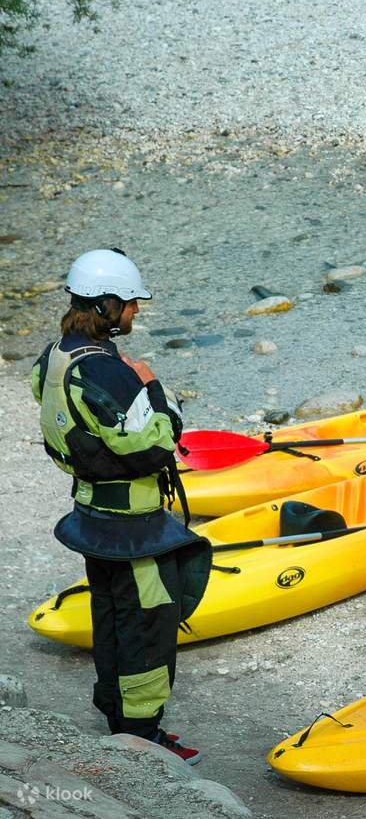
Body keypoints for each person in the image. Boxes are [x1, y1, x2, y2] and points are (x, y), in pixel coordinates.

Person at [32, 249, 211, 764]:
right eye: (130, 303)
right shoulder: (107, 371)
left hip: (92, 516)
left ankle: (115, 712)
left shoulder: (53, 357)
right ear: (105, 305)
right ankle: (141, 734)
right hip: (133, 527)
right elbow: (158, 444)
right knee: (147, 625)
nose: (135, 310)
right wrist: (153, 386)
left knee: (111, 616)